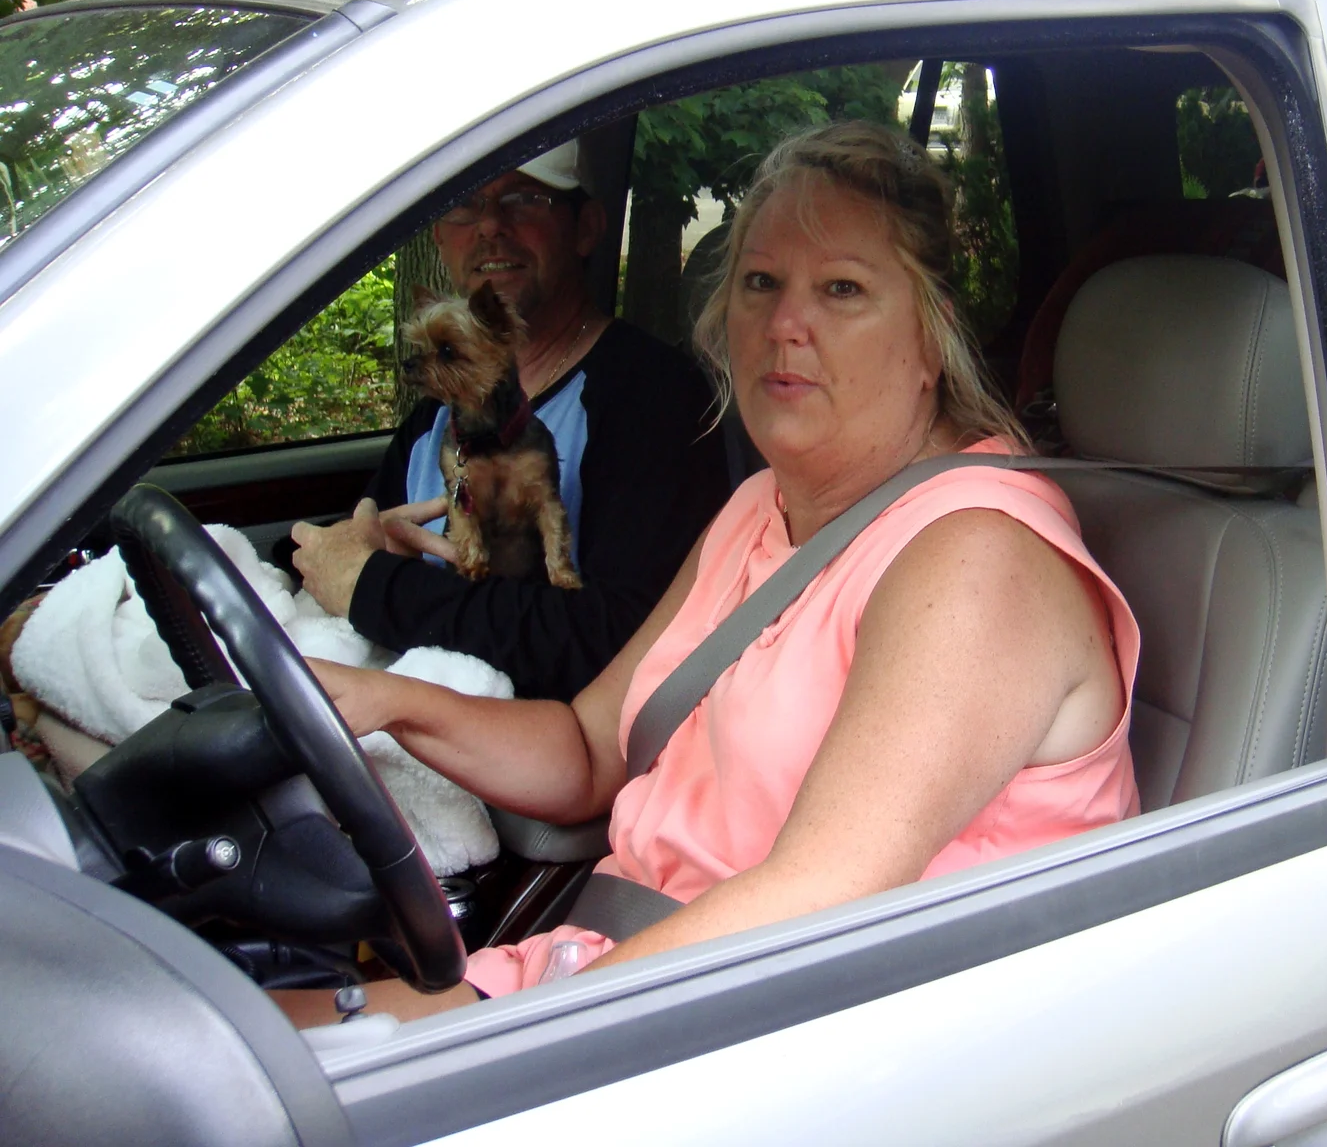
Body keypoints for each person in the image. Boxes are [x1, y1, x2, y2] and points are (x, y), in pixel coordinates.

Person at [283, 120, 1140, 1023]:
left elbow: (819, 899)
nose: (784, 325)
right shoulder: (759, 510)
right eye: (761, 283)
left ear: (932, 337)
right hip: (634, 980)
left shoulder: (979, 557)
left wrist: (517, 1039)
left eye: (842, 289)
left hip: (805, 1031)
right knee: (229, 1049)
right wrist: (383, 703)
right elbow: (587, 751)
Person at [289, 141, 729, 701]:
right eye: (464, 203)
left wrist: (378, 587)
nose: (490, 225)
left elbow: (613, 640)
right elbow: (349, 551)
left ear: (586, 228)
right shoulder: (438, 414)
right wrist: (362, 557)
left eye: (523, 198)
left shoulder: (653, 397)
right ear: (439, 238)